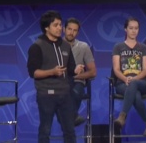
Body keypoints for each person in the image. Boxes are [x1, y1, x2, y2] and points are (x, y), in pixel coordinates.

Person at [27, 10, 77, 143]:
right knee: (45, 130)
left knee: (70, 131)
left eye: (60, 25)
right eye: (55, 25)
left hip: (65, 94)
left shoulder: (66, 46)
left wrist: (77, 69)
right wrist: (52, 72)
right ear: (46, 27)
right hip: (46, 94)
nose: (59, 28)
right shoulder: (37, 47)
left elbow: (70, 69)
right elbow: (33, 73)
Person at [112, 16, 146, 136]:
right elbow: (116, 69)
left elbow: (145, 70)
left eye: (136, 28)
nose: (134, 31)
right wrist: (125, 79)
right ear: (125, 29)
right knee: (135, 95)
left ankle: (122, 116)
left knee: (134, 84)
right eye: (131, 28)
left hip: (141, 82)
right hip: (122, 83)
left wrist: (133, 79)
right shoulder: (118, 47)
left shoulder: (143, 47)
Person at [64, 17, 97, 126]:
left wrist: (77, 76)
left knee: (76, 92)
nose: (71, 32)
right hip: (61, 82)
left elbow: (93, 72)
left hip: (78, 82)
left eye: (75, 30)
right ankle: (73, 117)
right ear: (64, 29)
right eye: (69, 29)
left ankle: (69, 118)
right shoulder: (55, 46)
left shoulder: (83, 47)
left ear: (78, 33)